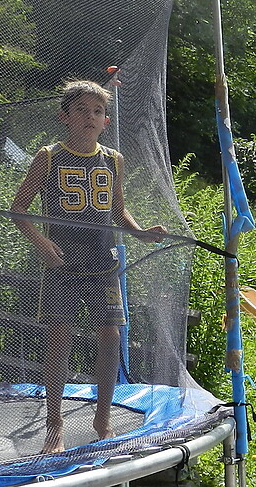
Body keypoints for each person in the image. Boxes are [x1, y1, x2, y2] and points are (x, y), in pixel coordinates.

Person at [11, 80, 165, 454]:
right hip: (63, 263)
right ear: (64, 116)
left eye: (97, 111)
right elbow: (19, 209)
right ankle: (54, 422)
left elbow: (118, 210)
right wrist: (43, 244)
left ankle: (103, 418)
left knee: (111, 336)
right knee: (59, 338)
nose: (90, 117)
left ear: (106, 121)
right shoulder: (49, 156)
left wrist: (141, 232)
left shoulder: (113, 160)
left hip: (102, 261)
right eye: (81, 109)